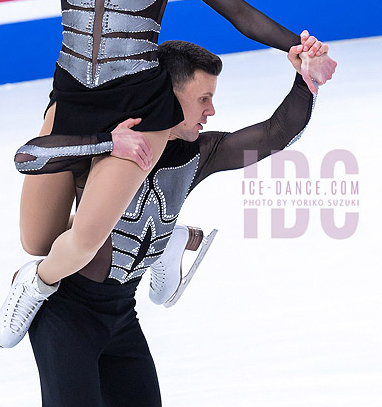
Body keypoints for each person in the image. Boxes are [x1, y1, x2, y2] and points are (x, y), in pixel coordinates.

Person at [0, 0, 336, 352]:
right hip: (70, 103)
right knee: (38, 239)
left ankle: (33, 284)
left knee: (77, 247)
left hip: (137, 111)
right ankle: (167, 235)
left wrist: (299, 51)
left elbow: (237, 11)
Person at [23, 38, 329, 406]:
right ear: (167, 95)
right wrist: (99, 142)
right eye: (203, 99)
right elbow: (35, 159)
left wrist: (306, 83)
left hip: (122, 316)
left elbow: (273, 134)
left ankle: (165, 239)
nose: (211, 111)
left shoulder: (198, 154)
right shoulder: (113, 143)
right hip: (65, 316)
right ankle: (158, 243)